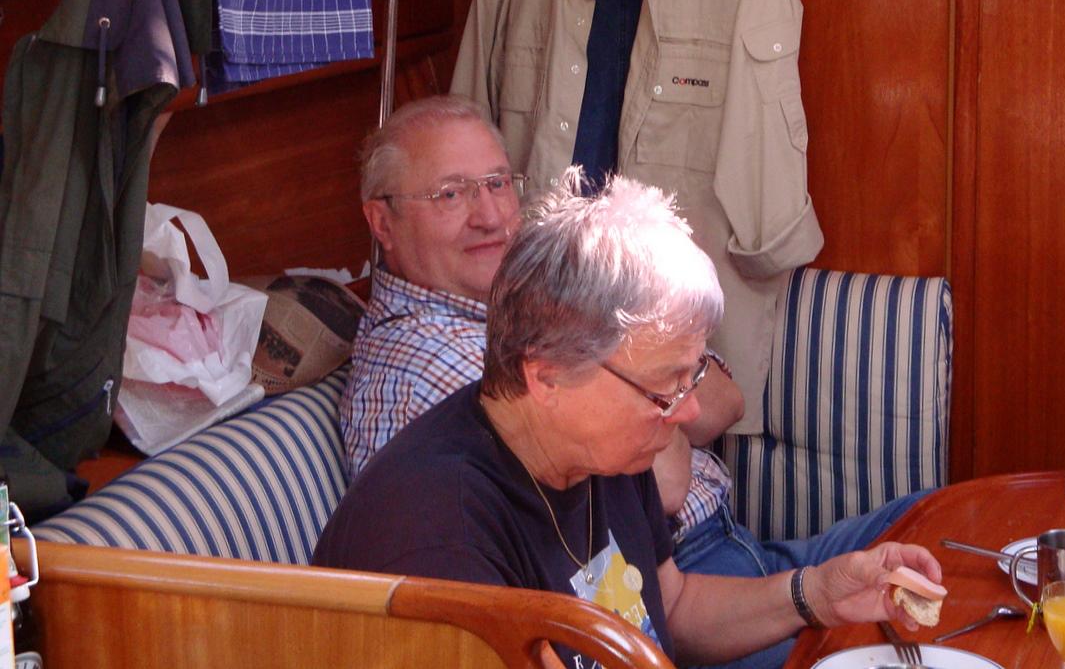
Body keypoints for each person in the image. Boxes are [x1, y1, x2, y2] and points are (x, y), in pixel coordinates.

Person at [340, 96, 924, 668]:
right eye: (663, 387)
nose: (687, 413)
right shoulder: (441, 540)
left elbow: (673, 606)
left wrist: (817, 595)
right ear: (547, 377)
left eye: (691, 377)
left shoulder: (599, 451)